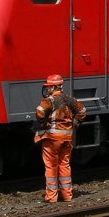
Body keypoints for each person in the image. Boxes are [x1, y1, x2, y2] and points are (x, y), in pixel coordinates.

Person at [33, 74, 86, 203]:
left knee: (51, 167)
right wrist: (75, 123)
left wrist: (44, 121)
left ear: (52, 87)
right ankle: (67, 195)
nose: (47, 89)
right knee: (64, 165)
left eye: (48, 87)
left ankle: (51, 197)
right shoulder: (71, 100)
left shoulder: (49, 101)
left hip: (52, 139)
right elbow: (83, 111)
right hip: (67, 138)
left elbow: (39, 113)